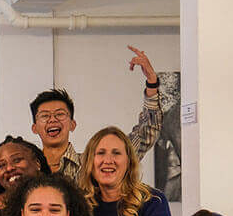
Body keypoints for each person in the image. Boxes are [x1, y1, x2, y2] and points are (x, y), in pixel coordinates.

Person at [31, 46, 162, 180]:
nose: (53, 120)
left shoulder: (92, 164)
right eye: (45, 115)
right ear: (34, 128)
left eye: (60, 114)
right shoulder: (29, 169)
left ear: (72, 124)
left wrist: (152, 84)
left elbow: (146, 133)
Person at [0, 135, 50, 213]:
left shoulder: (58, 197)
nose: (9, 168)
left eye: (17, 160)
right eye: (2, 165)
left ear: (37, 163)